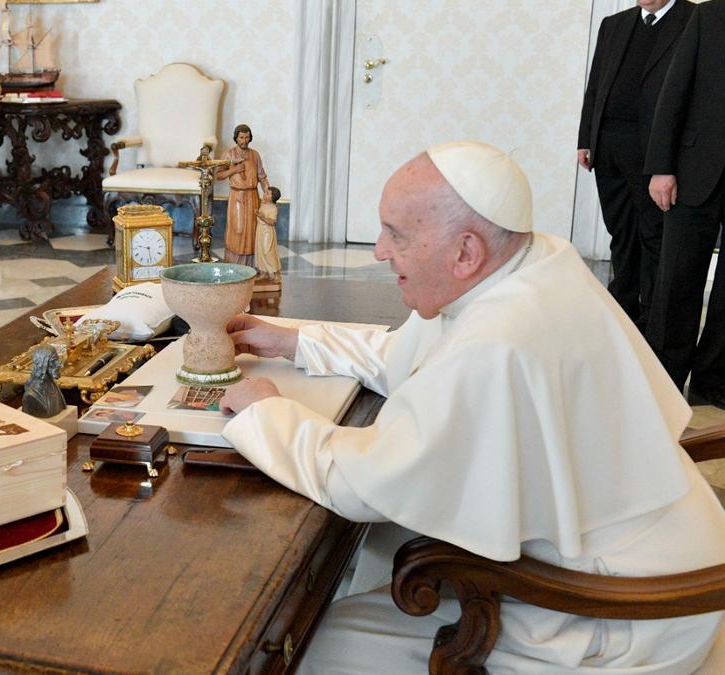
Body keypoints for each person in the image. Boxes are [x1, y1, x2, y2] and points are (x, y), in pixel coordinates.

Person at [219, 141, 725, 673]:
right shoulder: (530, 262)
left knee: (317, 639)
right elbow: (414, 356)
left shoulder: (501, 339)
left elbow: (361, 483)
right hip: (663, 556)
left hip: (617, 615)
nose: (378, 251)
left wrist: (263, 412)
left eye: (397, 234)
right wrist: (296, 342)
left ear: (465, 252)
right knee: (374, 560)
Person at [577, 0, 691, 330]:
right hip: (608, 144)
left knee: (653, 234)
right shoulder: (614, 24)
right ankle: (622, 306)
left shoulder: (692, 19)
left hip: (653, 151)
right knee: (621, 231)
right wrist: (586, 137)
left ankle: (653, 314)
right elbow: (596, 84)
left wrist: (669, 159)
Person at [644, 0, 725, 406]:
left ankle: (713, 383)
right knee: (676, 281)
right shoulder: (708, 15)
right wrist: (661, 167)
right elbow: (673, 92)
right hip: (695, 171)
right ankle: (663, 380)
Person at [216, 124, 269, 266]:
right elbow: (219, 175)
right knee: (237, 229)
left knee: (252, 230)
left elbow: (262, 177)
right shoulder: (229, 154)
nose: (244, 140)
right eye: (241, 137)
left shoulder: (255, 154)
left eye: (247, 137)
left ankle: (250, 266)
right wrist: (233, 170)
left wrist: (268, 194)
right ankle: (234, 264)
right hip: (237, 196)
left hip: (252, 196)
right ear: (236, 138)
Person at [253, 186, 281, 289]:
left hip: (267, 232)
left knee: (268, 252)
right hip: (260, 230)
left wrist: (261, 216)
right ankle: (264, 272)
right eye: (265, 192)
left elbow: (273, 222)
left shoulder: (273, 208)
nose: (265, 194)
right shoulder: (263, 204)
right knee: (260, 251)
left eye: (268, 193)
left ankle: (276, 273)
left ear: (273, 197)